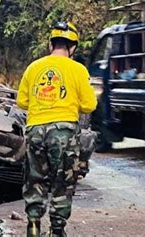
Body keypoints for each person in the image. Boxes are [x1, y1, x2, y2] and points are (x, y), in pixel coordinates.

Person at [17, 21, 97, 237]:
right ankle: (57, 230)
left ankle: (33, 225)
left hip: (34, 129)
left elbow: (22, 101)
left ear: (51, 44)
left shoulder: (33, 67)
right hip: (63, 131)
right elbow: (89, 105)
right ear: (73, 47)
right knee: (62, 181)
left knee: (35, 179)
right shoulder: (78, 69)